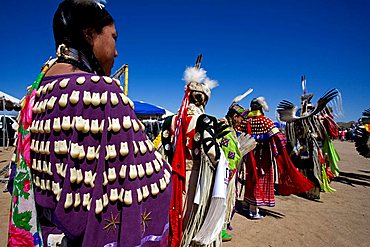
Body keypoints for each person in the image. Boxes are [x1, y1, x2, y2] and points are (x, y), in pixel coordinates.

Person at [8, 1, 172, 246]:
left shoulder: (33, 95)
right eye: (113, 37)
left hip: (43, 234)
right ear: (89, 34)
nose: (116, 52)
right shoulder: (102, 93)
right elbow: (146, 182)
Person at [161, 59, 227, 247]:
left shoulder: (170, 121)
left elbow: (162, 152)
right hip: (196, 179)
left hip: (171, 177)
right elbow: (213, 153)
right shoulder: (204, 120)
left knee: (175, 213)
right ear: (203, 100)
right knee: (191, 216)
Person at [242, 97, 314, 218]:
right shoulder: (265, 121)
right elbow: (278, 137)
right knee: (259, 178)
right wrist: (284, 148)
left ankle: (246, 204)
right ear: (261, 107)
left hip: (249, 155)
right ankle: (253, 210)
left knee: (250, 177)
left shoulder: (246, 121)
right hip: (262, 156)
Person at [277, 76, 342, 199]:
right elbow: (293, 133)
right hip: (303, 147)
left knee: (313, 169)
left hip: (314, 148)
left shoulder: (317, 120)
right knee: (303, 167)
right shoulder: (298, 121)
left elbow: (323, 134)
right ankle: (304, 188)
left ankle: (313, 191)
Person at [218, 95, 256, 241]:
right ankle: (219, 229)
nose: (242, 122)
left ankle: (223, 225)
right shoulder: (225, 130)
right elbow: (227, 154)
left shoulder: (230, 129)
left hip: (228, 173)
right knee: (221, 201)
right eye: (240, 118)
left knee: (227, 201)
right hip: (224, 174)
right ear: (234, 116)